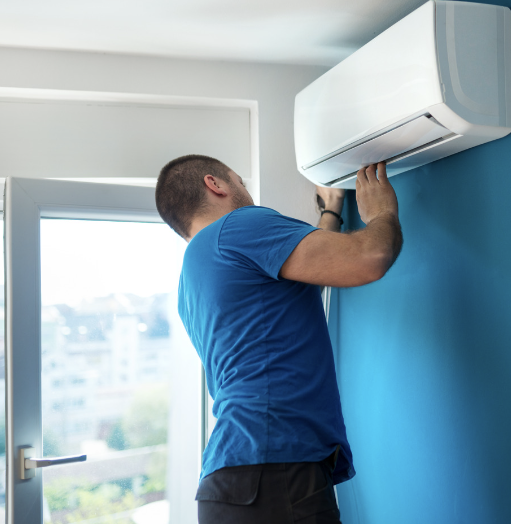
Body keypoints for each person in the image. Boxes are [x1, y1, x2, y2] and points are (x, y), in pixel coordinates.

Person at [154, 154, 402, 523]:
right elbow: (372, 257)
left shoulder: (193, 277)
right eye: (240, 181)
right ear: (215, 184)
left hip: (232, 482)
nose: (246, 191)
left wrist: (330, 213)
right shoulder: (238, 226)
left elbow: (306, 274)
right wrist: (382, 212)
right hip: (273, 467)